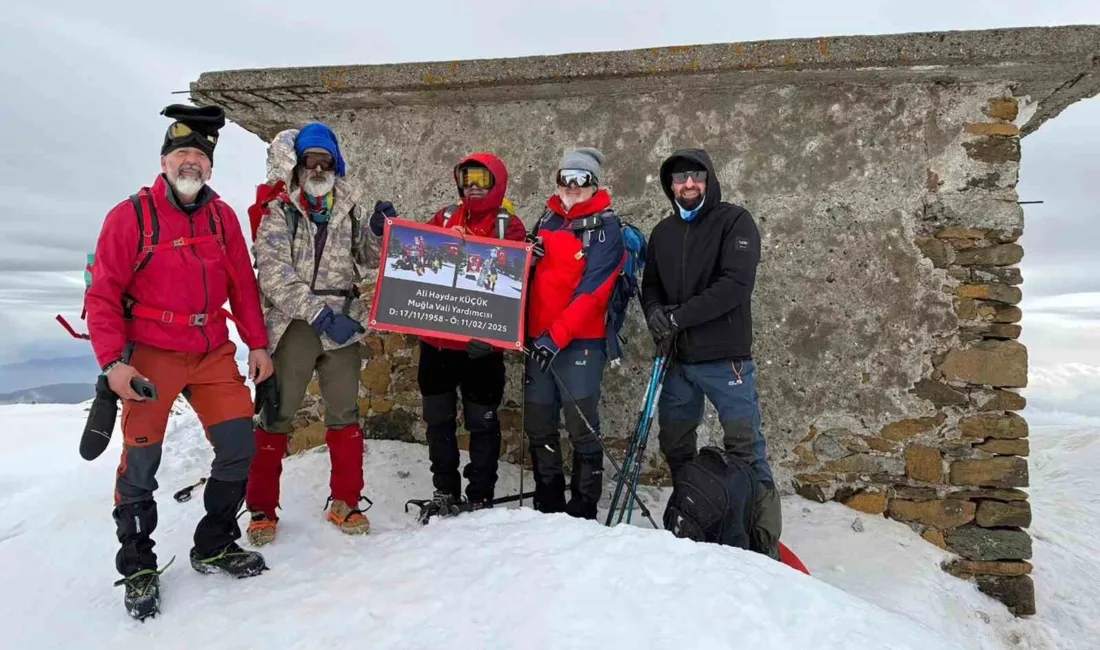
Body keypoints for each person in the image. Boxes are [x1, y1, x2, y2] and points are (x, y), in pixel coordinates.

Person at [84, 104, 274, 620]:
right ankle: (138, 564)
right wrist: (113, 364)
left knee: (238, 444)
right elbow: (103, 296)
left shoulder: (222, 217)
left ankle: (214, 542)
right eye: (181, 153)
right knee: (141, 460)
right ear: (164, 161)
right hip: (151, 353)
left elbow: (243, 286)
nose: (191, 162)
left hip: (211, 349)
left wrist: (257, 344)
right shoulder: (131, 216)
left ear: (210, 166)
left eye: (200, 155)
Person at [246, 123, 384, 545]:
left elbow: (366, 258)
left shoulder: (349, 208)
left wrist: (379, 231)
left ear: (336, 165)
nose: (318, 168)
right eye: (311, 160)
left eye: (326, 161)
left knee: (345, 414)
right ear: (299, 165)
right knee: (278, 414)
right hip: (296, 324)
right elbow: (274, 275)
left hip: (343, 322)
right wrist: (320, 315)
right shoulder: (279, 210)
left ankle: (346, 502)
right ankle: (261, 509)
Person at [640, 148, 782, 558]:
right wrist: (654, 313)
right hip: (677, 361)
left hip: (724, 359)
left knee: (745, 447)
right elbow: (651, 285)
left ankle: (762, 542)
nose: (688, 184)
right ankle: (697, 516)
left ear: (709, 180)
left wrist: (678, 317)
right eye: (680, 178)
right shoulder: (663, 232)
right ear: (670, 186)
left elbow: (735, 284)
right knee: (675, 443)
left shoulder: (734, 222)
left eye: (696, 177)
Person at [374, 154, 525, 514]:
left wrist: (496, 338)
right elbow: (416, 252)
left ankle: (481, 492)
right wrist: (388, 231)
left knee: (481, 422)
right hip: (438, 344)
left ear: (497, 183)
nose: (473, 187)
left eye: (482, 180)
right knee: (438, 420)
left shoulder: (509, 227)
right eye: (467, 179)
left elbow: (518, 283)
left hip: (480, 347)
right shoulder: (444, 217)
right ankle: (445, 488)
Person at [523, 147, 626, 519]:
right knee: (539, 423)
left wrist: (556, 338)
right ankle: (547, 499)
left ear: (594, 184)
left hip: (580, 342)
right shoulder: (547, 219)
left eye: (581, 179)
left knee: (581, 425)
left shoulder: (606, 229)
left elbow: (593, 294)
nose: (571, 186)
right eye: (565, 178)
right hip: (538, 341)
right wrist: (527, 258)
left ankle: (583, 506)